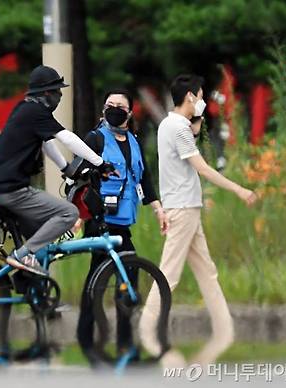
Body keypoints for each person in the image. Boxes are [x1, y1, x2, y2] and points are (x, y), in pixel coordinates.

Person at [138, 74, 258, 365]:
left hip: (186, 207)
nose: (203, 100)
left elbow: (192, 133)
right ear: (190, 96)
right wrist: (240, 189)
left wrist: (199, 114)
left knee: (207, 272)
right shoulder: (177, 128)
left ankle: (225, 333)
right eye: (200, 96)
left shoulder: (171, 124)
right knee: (169, 274)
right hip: (183, 209)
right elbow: (203, 168)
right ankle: (148, 334)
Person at [0, 65, 115, 276]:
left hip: (0, 187)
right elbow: (66, 138)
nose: (60, 95)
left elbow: (47, 142)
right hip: (12, 190)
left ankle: (35, 292)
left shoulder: (25, 109)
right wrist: (100, 163)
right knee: (68, 213)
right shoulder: (36, 112)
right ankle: (21, 255)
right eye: (57, 91)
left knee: (42, 238)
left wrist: (66, 168)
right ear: (46, 93)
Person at [74, 89, 168, 365]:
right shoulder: (95, 139)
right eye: (109, 105)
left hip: (122, 221)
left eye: (120, 106)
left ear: (130, 112)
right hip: (100, 221)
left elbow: (144, 178)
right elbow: (79, 175)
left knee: (115, 277)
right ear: (103, 111)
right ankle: (100, 342)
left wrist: (157, 207)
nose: (114, 109)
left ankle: (115, 343)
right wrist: (80, 213)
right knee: (112, 276)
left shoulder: (134, 141)